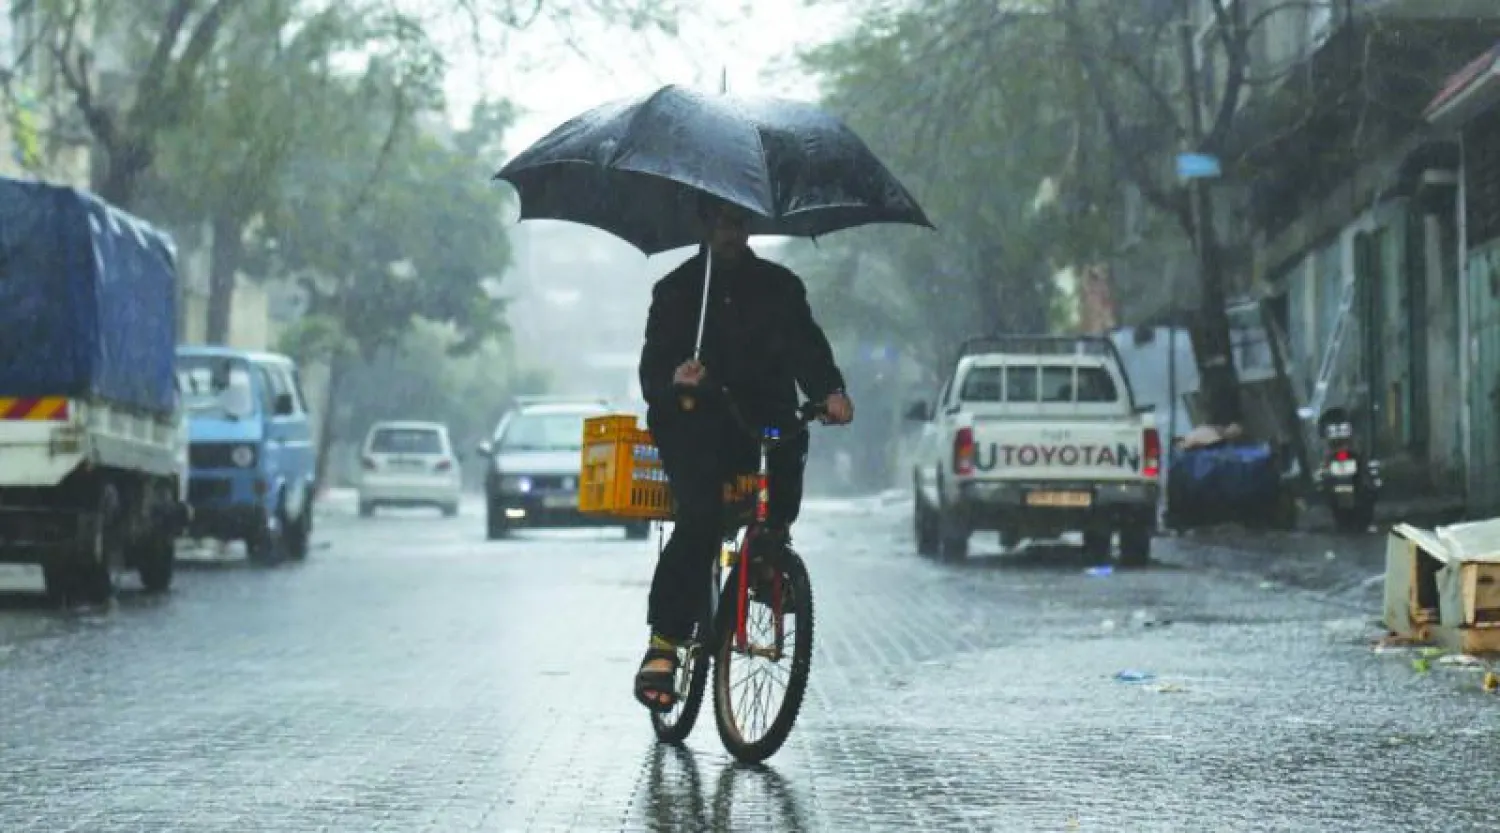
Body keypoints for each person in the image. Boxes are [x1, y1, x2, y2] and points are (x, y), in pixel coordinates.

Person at [633, 194, 854, 711]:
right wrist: (675, 379)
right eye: (721, 223)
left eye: (739, 223)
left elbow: (809, 351)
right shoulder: (677, 291)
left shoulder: (781, 288)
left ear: (750, 225)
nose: (731, 233)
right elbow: (652, 373)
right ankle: (665, 641)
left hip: (763, 418)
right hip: (695, 421)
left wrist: (831, 392)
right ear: (704, 224)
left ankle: (767, 559)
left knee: (785, 464)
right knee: (702, 517)